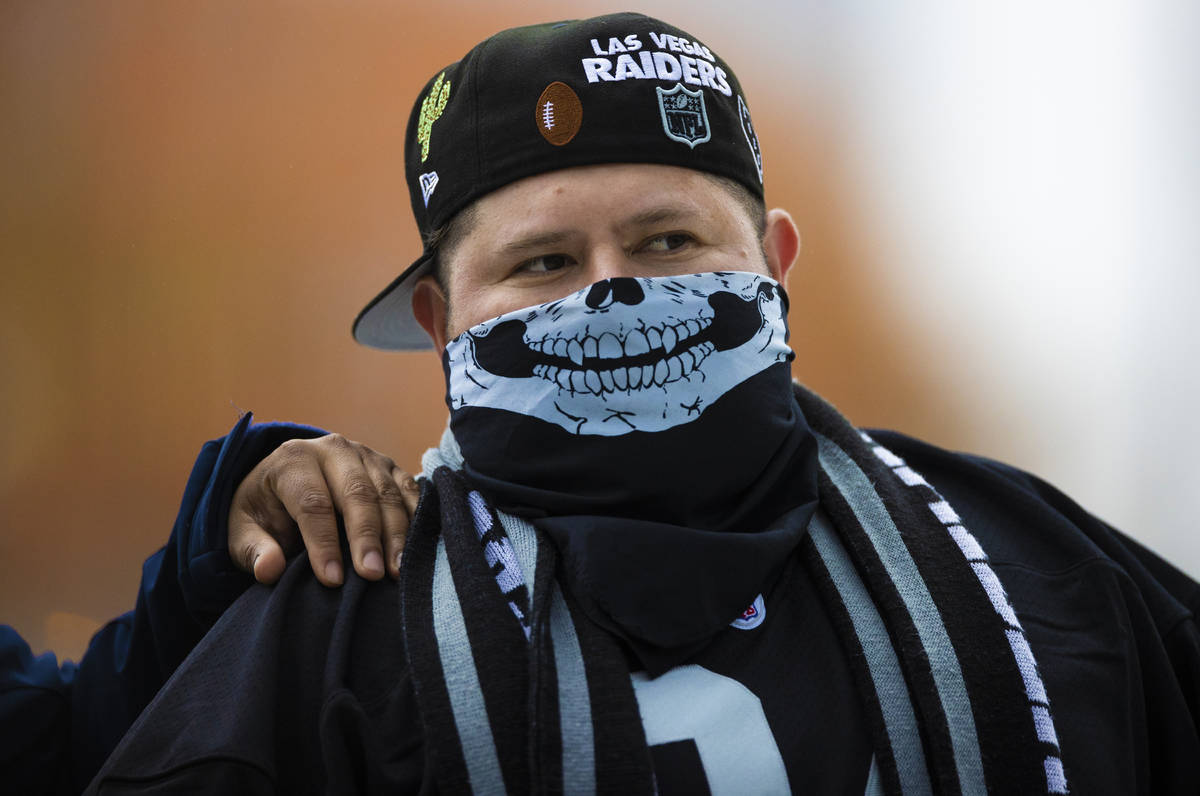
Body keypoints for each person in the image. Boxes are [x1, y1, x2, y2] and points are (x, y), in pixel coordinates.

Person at [4, 11, 1200, 795]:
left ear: (777, 261)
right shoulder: (326, 650)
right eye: (542, 263)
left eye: (668, 239)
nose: (611, 293)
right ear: (438, 317)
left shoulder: (1056, 576)